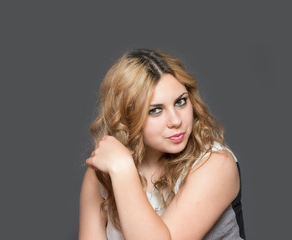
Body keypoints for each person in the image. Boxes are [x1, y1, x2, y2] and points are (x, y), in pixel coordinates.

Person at [79, 49, 245, 240]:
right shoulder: (101, 174)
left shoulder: (215, 164)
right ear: (128, 116)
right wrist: (120, 168)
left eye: (181, 102)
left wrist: (124, 170)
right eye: (156, 110)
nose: (175, 120)